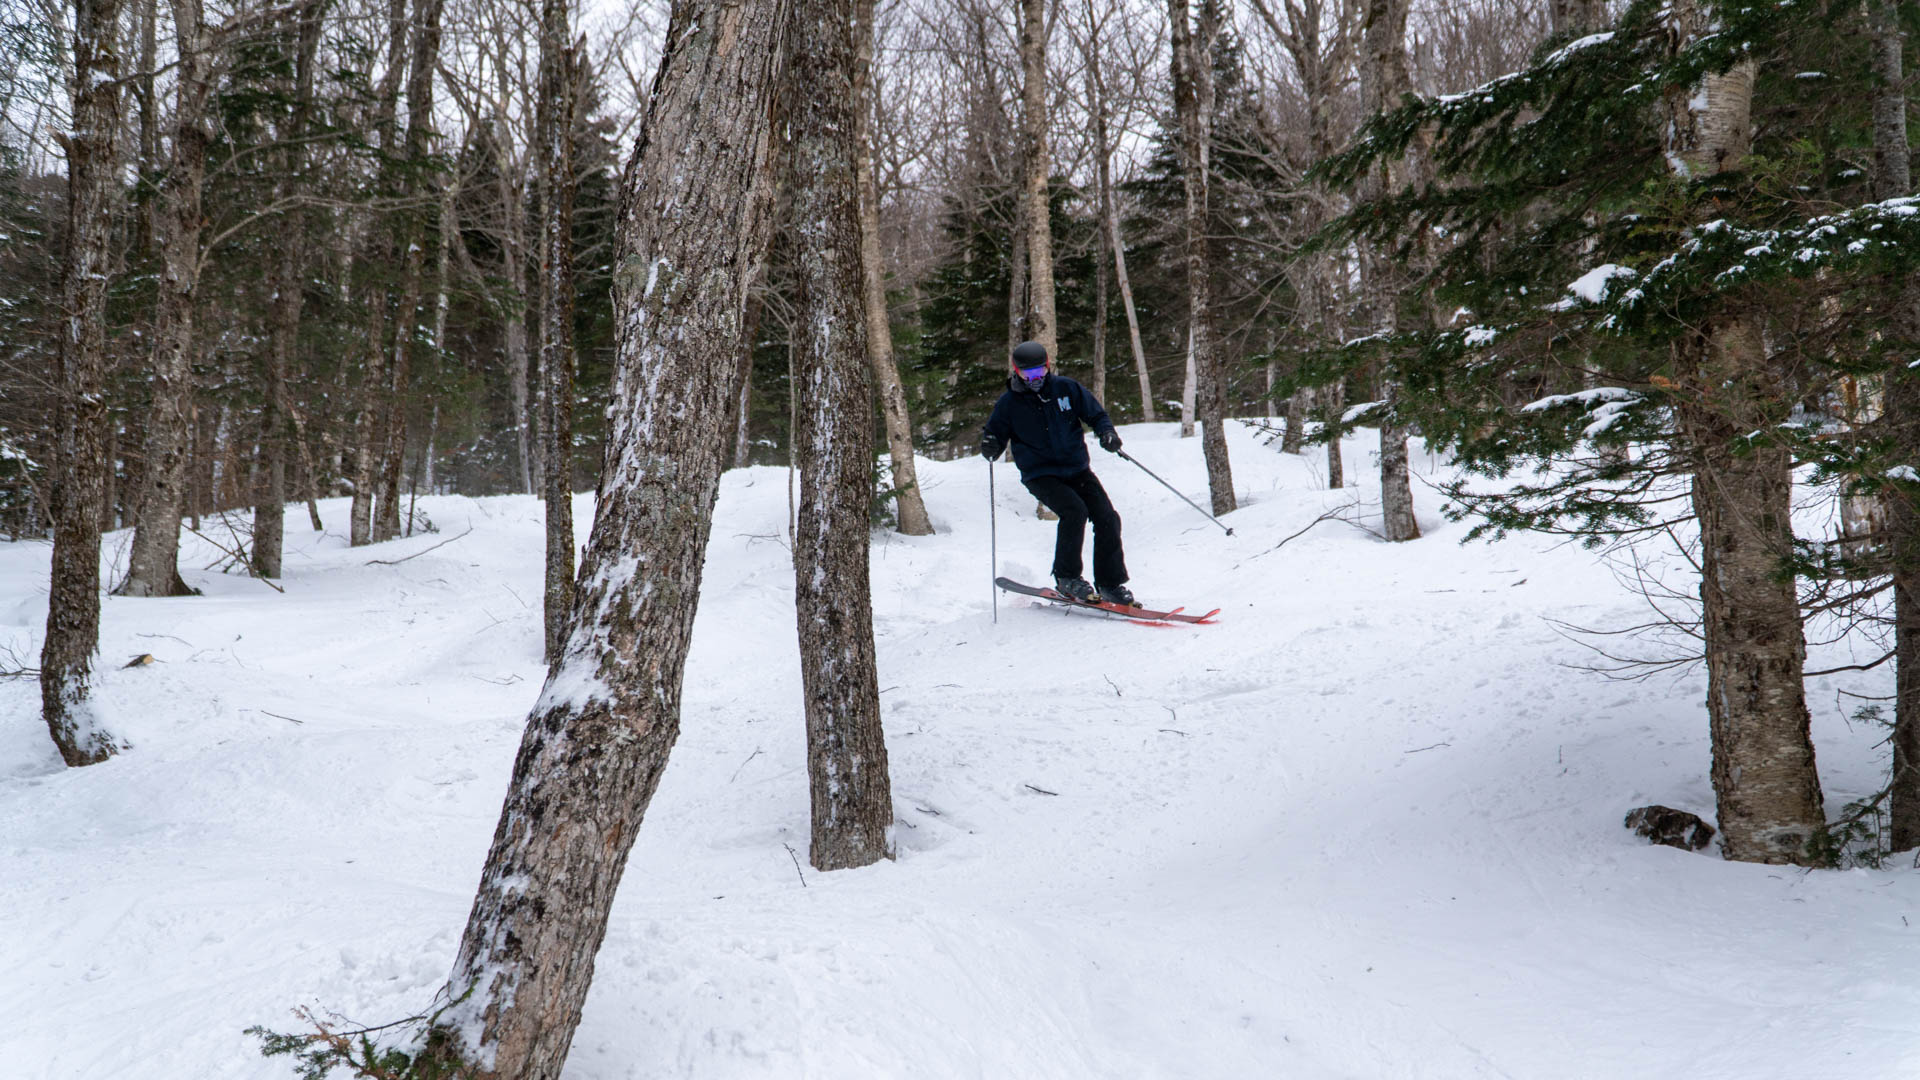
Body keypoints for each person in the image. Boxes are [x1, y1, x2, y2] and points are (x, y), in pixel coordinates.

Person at [979, 340, 1135, 606]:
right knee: (1074, 512)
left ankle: (1110, 583)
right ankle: (1067, 578)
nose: (1035, 379)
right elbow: (994, 434)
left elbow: (1096, 415)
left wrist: (1107, 433)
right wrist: (990, 445)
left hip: (1076, 469)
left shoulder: (1066, 389)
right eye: (1028, 374)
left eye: (1039, 372)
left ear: (1047, 366)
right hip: (1040, 474)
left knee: (1108, 517)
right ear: (1017, 372)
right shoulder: (1009, 403)